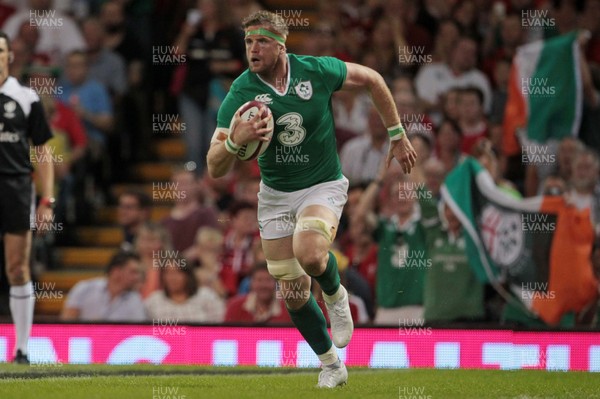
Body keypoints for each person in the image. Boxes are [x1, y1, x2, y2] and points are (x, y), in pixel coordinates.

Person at [206, 11, 416, 387]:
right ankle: (331, 365)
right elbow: (214, 166)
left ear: (281, 46)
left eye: (262, 41)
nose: (253, 49)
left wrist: (396, 133)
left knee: (311, 253)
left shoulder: (316, 70)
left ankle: (336, 296)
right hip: (275, 195)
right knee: (292, 291)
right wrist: (237, 140)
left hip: (322, 184)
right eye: (249, 42)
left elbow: (373, 79)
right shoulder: (240, 92)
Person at [0, 31, 54, 364]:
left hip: (15, 187)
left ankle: (21, 349)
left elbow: (44, 151)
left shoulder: (26, 97)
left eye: (0, 49)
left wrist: (47, 201)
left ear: (9, 56)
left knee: (17, 268)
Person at [60, 251, 146, 322]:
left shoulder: (135, 300)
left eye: (139, 273)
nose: (138, 277)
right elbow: (66, 324)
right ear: (116, 271)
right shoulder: (84, 289)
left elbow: (137, 332)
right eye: (133, 272)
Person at [145, 261, 225, 323]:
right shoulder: (153, 301)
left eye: (177, 272)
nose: (172, 278)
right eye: (168, 273)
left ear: (188, 275)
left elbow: (220, 326)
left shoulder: (207, 296)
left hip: (201, 342)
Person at [224, 262, 291, 324]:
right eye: (259, 280)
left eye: (268, 280)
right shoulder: (235, 307)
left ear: (276, 283)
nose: (263, 285)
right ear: (251, 283)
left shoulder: (289, 310)